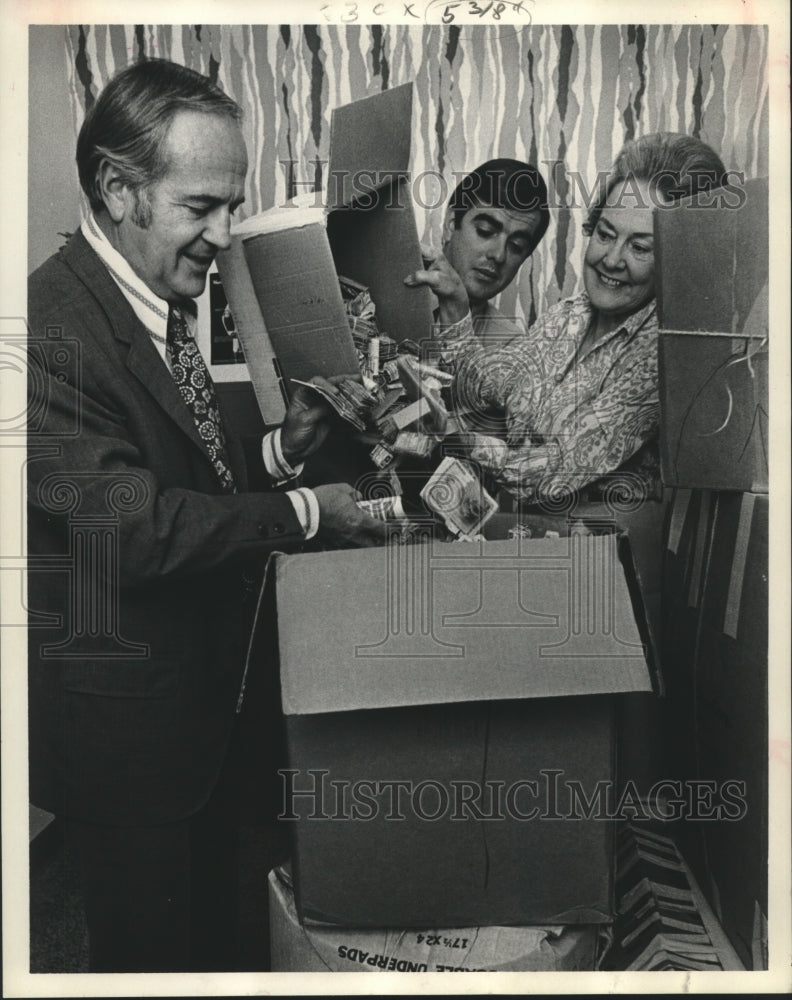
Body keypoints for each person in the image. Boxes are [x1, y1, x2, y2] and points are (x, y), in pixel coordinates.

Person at [26, 58, 387, 973]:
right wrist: (306, 510)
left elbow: (184, 470)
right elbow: (136, 531)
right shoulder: (42, 329)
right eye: (201, 207)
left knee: (219, 949)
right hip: (130, 745)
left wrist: (279, 452)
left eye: (232, 206)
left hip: (202, 720)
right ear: (118, 189)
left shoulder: (150, 293)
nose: (225, 237)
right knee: (147, 963)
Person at [406, 133, 728, 506]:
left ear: (676, 260)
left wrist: (452, 436)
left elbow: (555, 472)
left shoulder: (666, 355)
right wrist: (456, 308)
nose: (611, 260)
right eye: (606, 234)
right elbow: (490, 385)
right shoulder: (568, 314)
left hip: (602, 537)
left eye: (640, 247)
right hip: (522, 526)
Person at [404, 157, 550, 351]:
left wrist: (458, 319)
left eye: (516, 246)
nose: (499, 255)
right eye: (485, 231)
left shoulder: (511, 348)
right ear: (450, 224)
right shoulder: (387, 286)